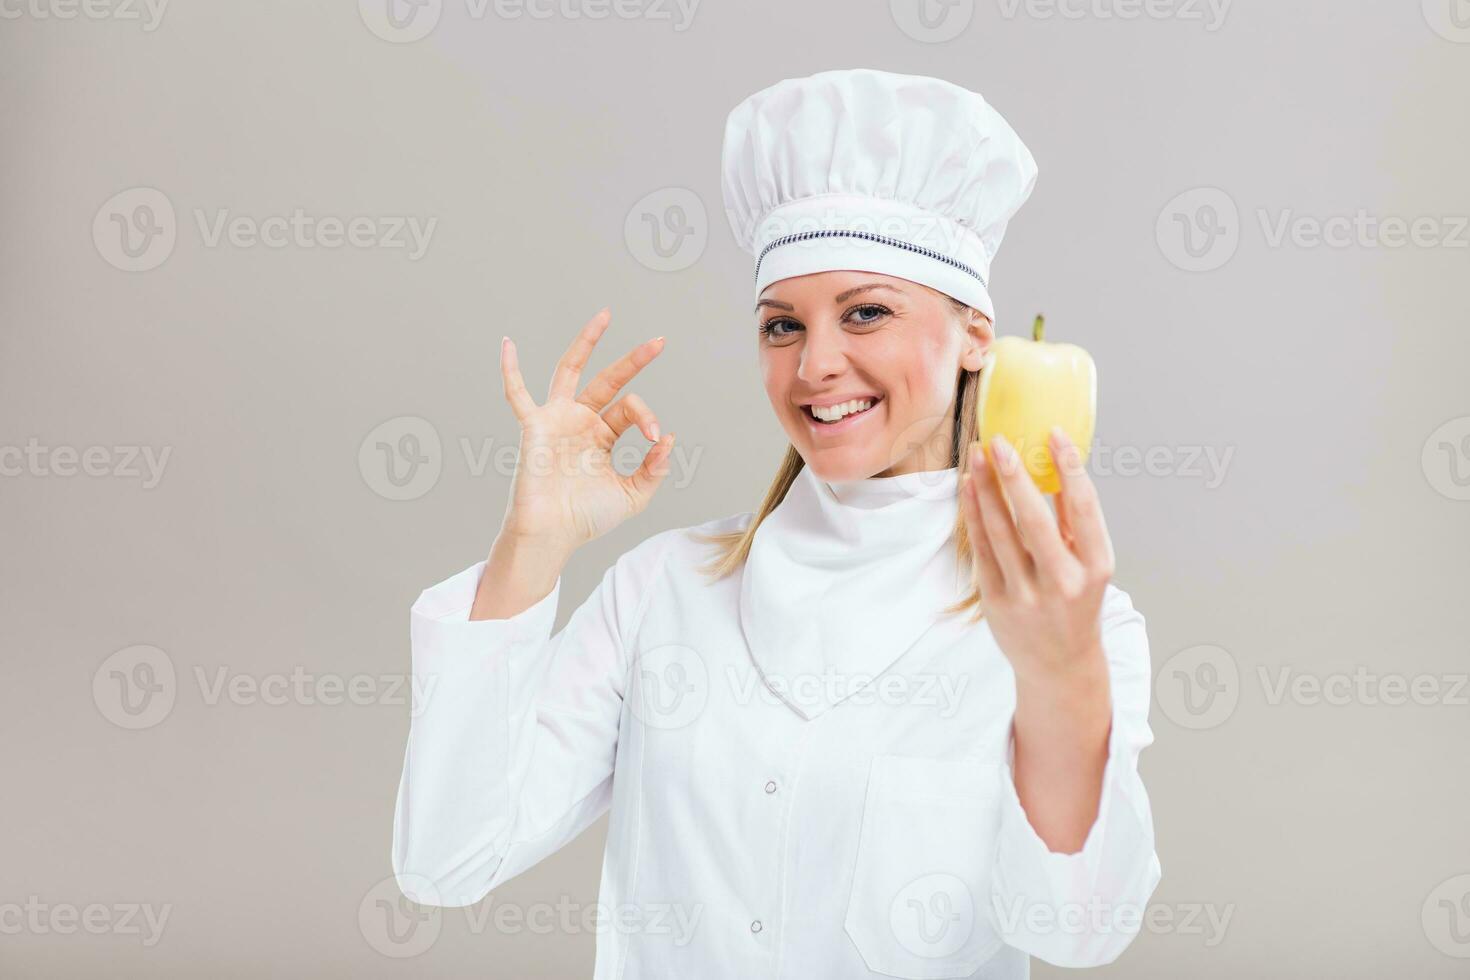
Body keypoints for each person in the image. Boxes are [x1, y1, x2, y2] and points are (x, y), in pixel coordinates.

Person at [391, 67, 1161, 979]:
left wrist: (1058, 676)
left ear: (975, 336)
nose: (816, 365)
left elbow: (1074, 933)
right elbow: (445, 861)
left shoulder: (1067, 623)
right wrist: (532, 546)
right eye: (781, 326)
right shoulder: (666, 589)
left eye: (867, 312)